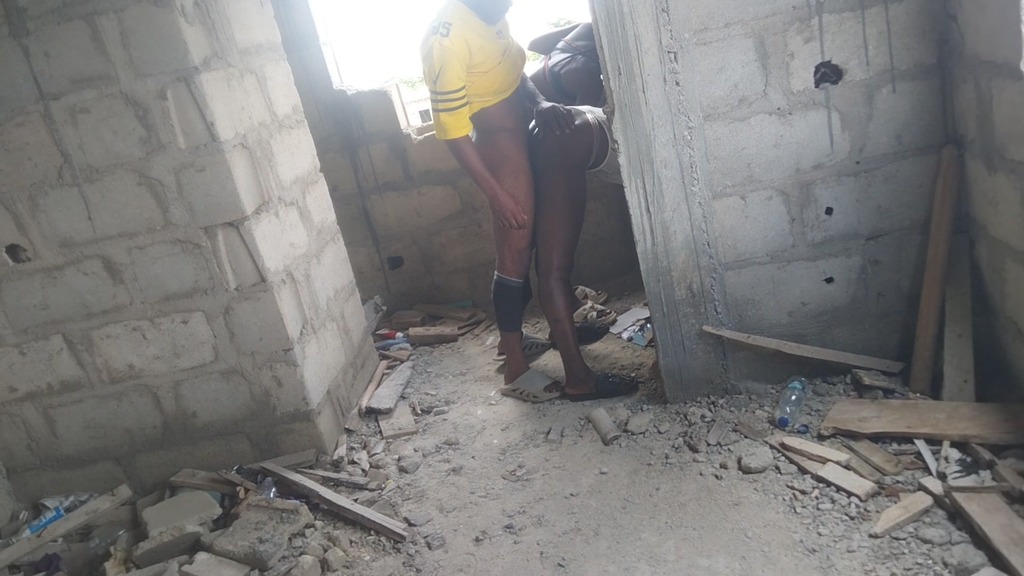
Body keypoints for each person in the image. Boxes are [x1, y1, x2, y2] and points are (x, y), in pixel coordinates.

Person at [420, 0, 575, 401]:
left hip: (521, 131)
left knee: (528, 244)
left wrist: (539, 103)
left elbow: (510, 70)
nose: (506, 6)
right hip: (497, 144)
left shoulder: (491, 12)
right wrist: (497, 194)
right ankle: (515, 370)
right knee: (514, 253)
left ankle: (513, 342)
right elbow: (452, 133)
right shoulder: (445, 39)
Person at [527, 22, 637, 401]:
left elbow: (535, 41)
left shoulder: (565, 50)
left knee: (551, 266)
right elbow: (595, 117)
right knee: (555, 270)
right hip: (568, 141)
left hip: (537, 140)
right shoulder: (585, 70)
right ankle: (578, 379)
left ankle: (565, 333)